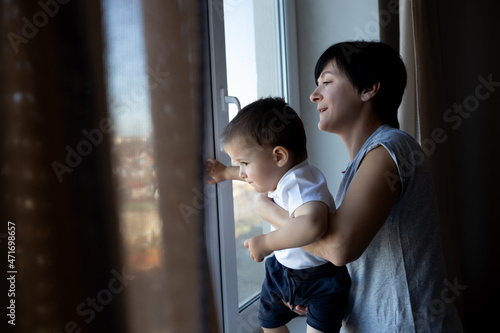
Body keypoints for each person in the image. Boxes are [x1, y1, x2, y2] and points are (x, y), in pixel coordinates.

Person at [247, 41, 464, 332]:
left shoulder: (391, 148)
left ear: (368, 89)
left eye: (326, 81)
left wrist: (268, 211)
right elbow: (356, 263)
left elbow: (338, 248)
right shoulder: (359, 168)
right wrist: (312, 290)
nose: (314, 95)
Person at [206, 97, 351, 333]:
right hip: (283, 271)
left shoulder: (300, 182)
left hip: (320, 279)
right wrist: (224, 173)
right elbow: (255, 172)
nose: (242, 173)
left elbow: (313, 224)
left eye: (243, 163)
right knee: (269, 321)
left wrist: (266, 242)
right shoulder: (282, 175)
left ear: (279, 157)